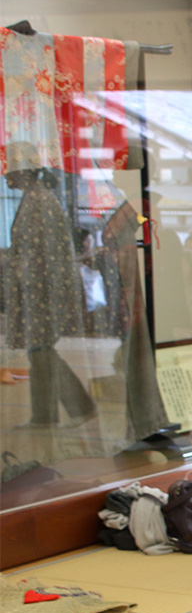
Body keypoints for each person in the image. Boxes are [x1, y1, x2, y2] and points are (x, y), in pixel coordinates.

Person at [4, 160, 96, 428]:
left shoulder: (39, 200)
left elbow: (38, 255)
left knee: (41, 351)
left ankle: (72, 408)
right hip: (39, 290)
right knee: (40, 353)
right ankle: (48, 415)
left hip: (41, 291)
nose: (6, 173)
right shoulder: (37, 198)